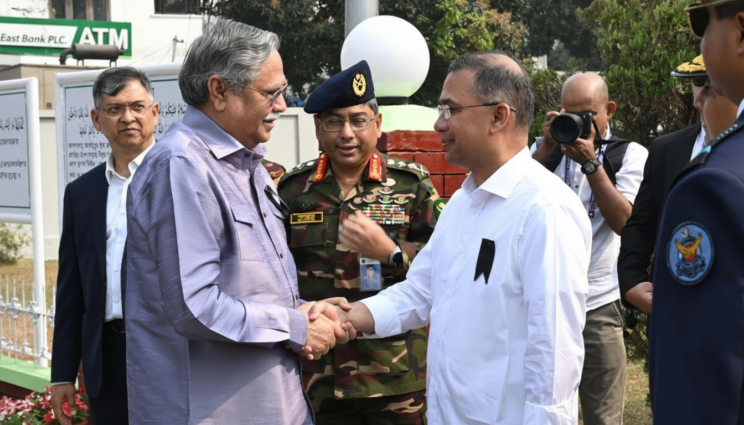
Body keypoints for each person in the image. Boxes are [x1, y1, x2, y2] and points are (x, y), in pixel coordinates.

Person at [318, 50, 592, 424]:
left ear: (498, 116)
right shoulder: (464, 202)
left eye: (451, 109)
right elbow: (420, 291)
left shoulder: (544, 209)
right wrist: (342, 315)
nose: (439, 123)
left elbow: (555, 351)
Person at [124, 18, 351, 424]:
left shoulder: (249, 165)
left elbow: (249, 287)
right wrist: (293, 326)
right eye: (271, 93)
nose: (282, 105)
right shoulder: (182, 166)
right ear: (219, 91)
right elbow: (194, 306)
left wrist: (305, 312)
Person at [278, 60, 442, 424]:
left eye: (358, 120)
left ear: (378, 124)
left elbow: (446, 260)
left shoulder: (411, 185)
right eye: (334, 122)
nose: (347, 133)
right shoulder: (292, 190)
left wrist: (392, 252)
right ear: (317, 128)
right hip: (318, 374)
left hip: (394, 374)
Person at [530, 72, 648, 424]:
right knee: (541, 410)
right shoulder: (544, 151)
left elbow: (625, 223)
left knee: (603, 416)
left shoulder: (629, 154)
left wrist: (591, 163)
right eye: (569, 112)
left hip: (598, 301)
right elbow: (513, 201)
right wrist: (546, 148)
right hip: (545, 301)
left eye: (587, 114)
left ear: (609, 110)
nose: (578, 122)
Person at [650, 1, 744, 423]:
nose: (703, 42)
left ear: (741, 31)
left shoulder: (717, 183)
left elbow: (699, 384)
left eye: (703, 24)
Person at [50, 66, 159, 425]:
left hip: (166, 350)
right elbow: (71, 289)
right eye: (115, 109)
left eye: (137, 107)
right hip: (105, 358)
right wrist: (63, 373)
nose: (128, 117)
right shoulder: (81, 193)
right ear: (97, 119)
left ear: (155, 113)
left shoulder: (179, 177)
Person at [619, 56, 736, 314]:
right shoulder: (666, 149)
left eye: (716, 82)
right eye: (699, 81)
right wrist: (632, 281)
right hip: (673, 303)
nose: (706, 91)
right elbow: (641, 224)